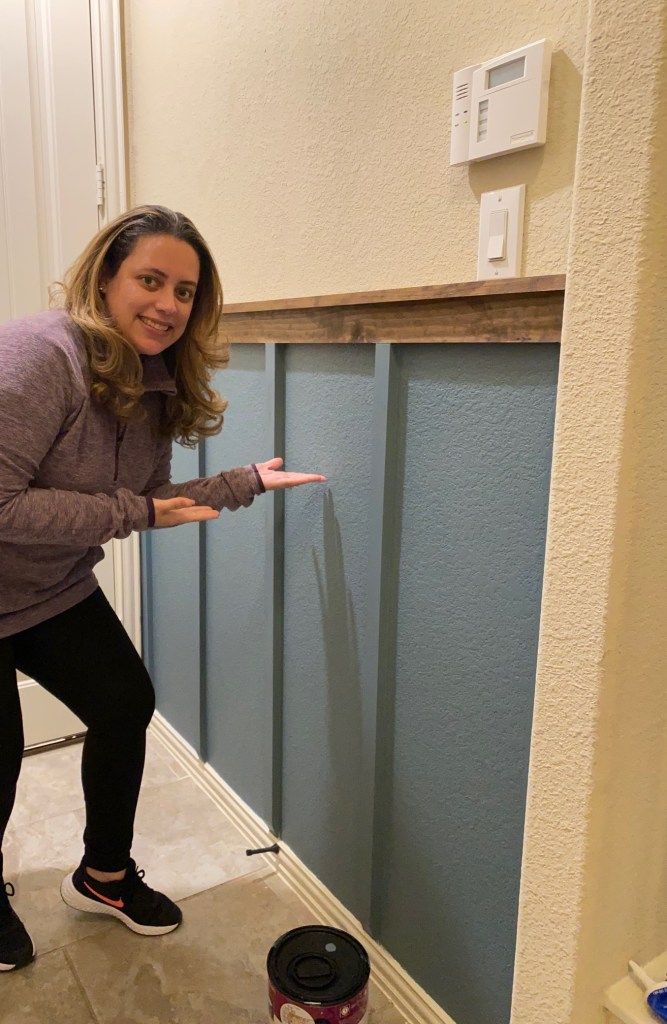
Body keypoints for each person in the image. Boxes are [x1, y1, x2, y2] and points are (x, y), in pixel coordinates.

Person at [0, 204, 326, 971]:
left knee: (123, 702)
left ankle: (103, 877)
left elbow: (150, 501)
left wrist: (242, 483)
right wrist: (135, 509)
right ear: (105, 279)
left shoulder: (150, 381)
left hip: (49, 588)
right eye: (150, 280)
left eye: (184, 291)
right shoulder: (36, 356)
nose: (168, 305)